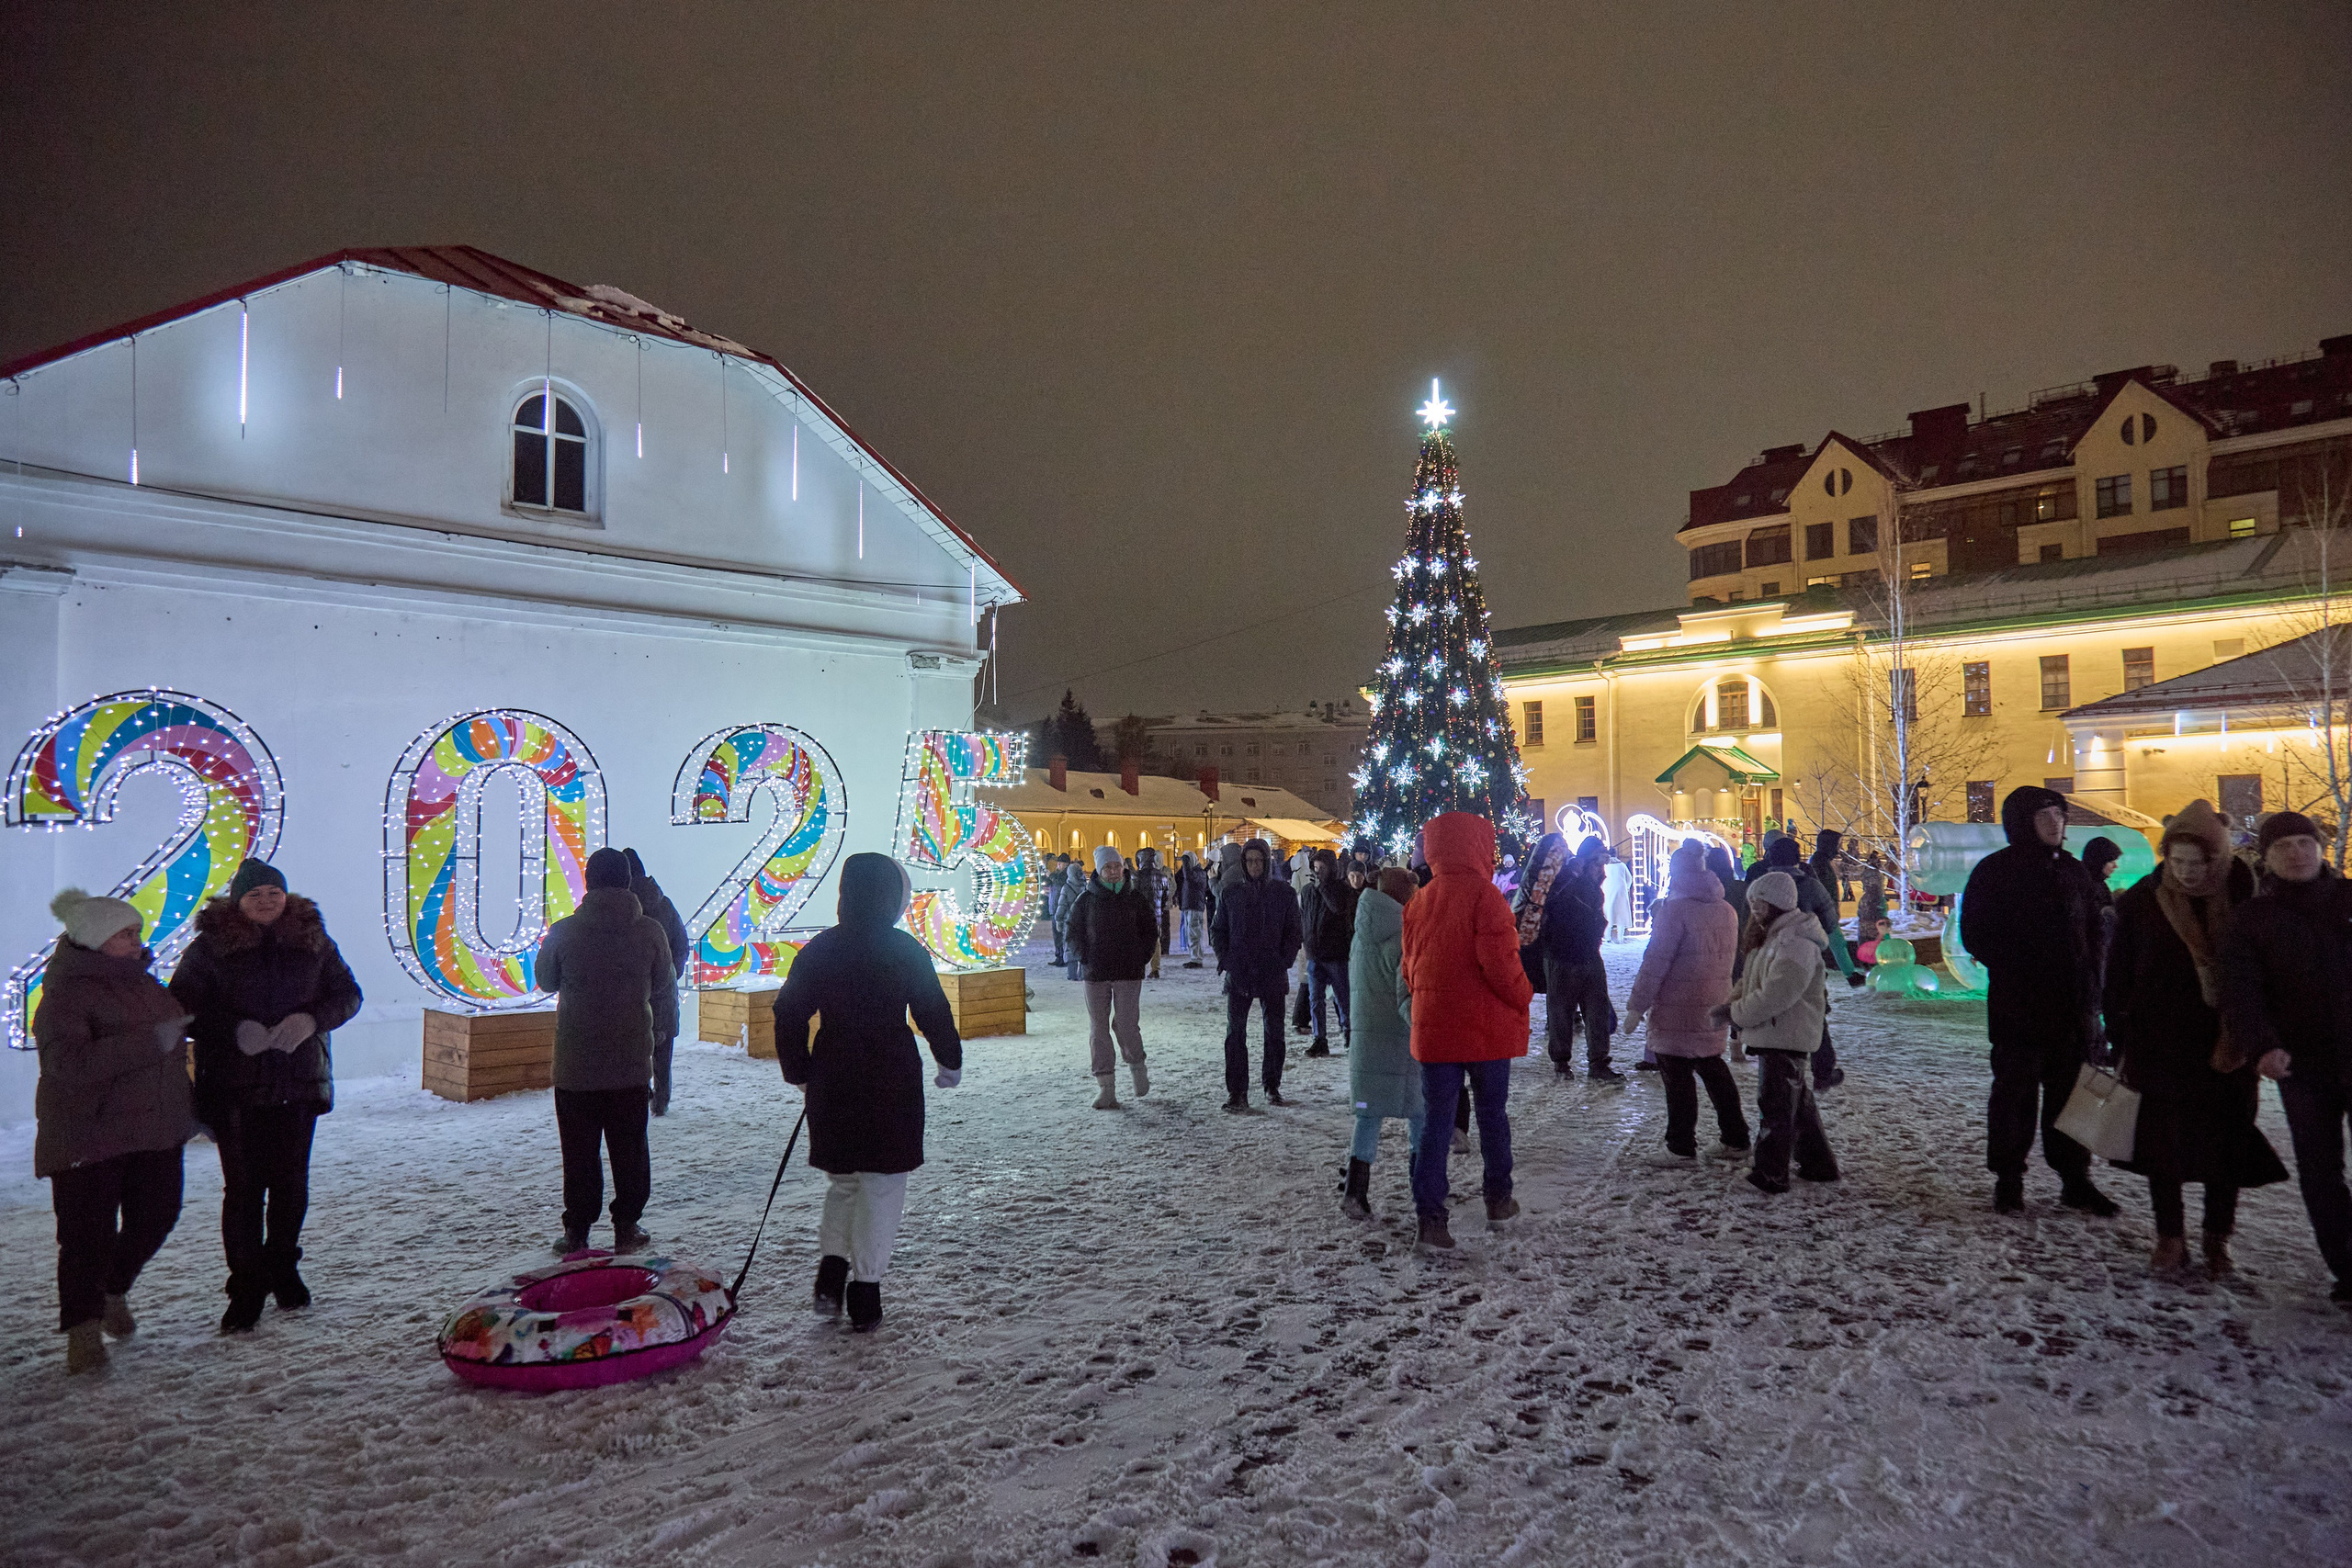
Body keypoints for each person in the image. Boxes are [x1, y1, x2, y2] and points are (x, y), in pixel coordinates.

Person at [772, 853, 962, 1331]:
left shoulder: (819, 949)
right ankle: (866, 1291)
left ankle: (832, 1272)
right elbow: (932, 1008)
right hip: (889, 1076)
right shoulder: (903, 949)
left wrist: (799, 1070)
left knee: (846, 1181)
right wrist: (949, 1060)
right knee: (881, 1185)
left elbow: (788, 1012)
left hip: (832, 1074)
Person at [171, 857, 363, 1331]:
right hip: (235, 1087)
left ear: (286, 896)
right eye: (255, 895)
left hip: (298, 1082)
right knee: (243, 1190)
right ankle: (246, 1285)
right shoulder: (209, 949)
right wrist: (233, 1030)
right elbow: (183, 1008)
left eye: (273, 893)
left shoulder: (314, 942)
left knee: (291, 1184)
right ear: (238, 901)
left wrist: (312, 1020)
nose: (265, 901)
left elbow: (348, 994)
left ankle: (283, 1266)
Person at [2104, 801, 2286, 1275]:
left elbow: (2269, 967)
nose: (2185, 872)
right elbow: (2120, 968)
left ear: (2218, 858)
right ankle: (2170, 1238)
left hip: (2228, 1039)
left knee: (2226, 1141)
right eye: (2176, 861)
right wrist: (2116, 1028)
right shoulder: (2145, 898)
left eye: (2197, 862)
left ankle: (2216, 1237)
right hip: (2159, 1040)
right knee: (2162, 1144)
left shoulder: (2247, 892)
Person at [35, 890, 198, 1372]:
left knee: (157, 1217)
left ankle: (113, 1290)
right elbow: (68, 1066)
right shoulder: (65, 995)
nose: (136, 940)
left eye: (136, 932)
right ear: (95, 939)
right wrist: (151, 1042)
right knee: (87, 1236)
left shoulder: (145, 983)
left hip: (155, 1129)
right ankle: (82, 1331)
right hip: (89, 1134)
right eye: (125, 934)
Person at [1961, 786, 2118, 1218]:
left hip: (2073, 1010)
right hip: (2021, 1009)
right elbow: (1975, 933)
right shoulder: (1995, 872)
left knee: (2074, 1098)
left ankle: (2076, 1180)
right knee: (2015, 1096)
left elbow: (2093, 935)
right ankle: (2009, 1179)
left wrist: (2094, 985)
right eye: (2044, 815)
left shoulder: (2073, 871)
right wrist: (2025, 967)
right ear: (2021, 822)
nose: (2054, 823)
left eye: (2059, 815)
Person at [2219, 811, 2352, 1303]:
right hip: (2303, 1065)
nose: (2297, 853)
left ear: (2319, 848)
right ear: (2267, 858)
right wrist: (2262, 1045)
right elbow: (2242, 990)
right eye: (2284, 846)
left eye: (2304, 842)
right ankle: (2346, 1267)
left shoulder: (2348, 899)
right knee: (2321, 1171)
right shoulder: (2253, 918)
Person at [537, 846, 681, 1258]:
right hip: (630, 1062)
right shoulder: (650, 931)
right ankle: (626, 1226)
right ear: (628, 882)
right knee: (630, 1148)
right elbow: (663, 987)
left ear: (588, 882)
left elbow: (546, 981)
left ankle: (578, 1231)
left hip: (575, 1065)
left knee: (580, 1152)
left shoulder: (565, 930)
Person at [1404, 812, 1534, 1248]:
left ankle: (1431, 1220)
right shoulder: (1487, 897)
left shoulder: (1419, 900)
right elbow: (1501, 965)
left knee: (1436, 1122)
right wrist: (1523, 995)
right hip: (1485, 1029)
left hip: (1435, 1028)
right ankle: (1498, 1200)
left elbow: (1409, 968)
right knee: (1492, 1115)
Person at [1624, 842, 1747, 1163]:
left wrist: (1637, 1006)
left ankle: (1680, 1145)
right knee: (1714, 1068)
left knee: (1677, 1077)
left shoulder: (1674, 911)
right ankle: (1736, 1138)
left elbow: (1655, 962)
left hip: (1677, 1008)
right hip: (1713, 1002)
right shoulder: (1727, 910)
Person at [1721, 870, 1837, 1193]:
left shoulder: (1794, 943)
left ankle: (1770, 1173)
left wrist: (1736, 1013)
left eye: (1761, 903)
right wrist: (1733, 1001)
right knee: (1797, 1106)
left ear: (1778, 904)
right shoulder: (1773, 937)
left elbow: (1777, 993)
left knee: (1775, 1107)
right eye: (1753, 902)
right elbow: (1755, 981)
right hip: (1781, 1032)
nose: (1755, 909)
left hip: (1786, 1033)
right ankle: (1818, 1164)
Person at [1342, 868, 1423, 1217]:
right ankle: (1424, 1193)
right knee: (1421, 1113)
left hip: (1367, 1039)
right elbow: (1406, 996)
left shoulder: (1361, 934)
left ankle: (1354, 1191)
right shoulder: (1404, 936)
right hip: (1401, 1042)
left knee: (1368, 1116)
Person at [1762, 836, 1860, 1089]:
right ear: (1797, 858)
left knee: (1771, 1009)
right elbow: (1831, 927)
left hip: (1767, 958)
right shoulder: (1810, 887)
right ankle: (1823, 1070)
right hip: (1806, 960)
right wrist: (1847, 967)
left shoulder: (1759, 885)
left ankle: (1779, 1072)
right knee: (1814, 1012)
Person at [1212, 837, 1302, 1111]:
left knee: (1274, 1033)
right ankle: (1237, 1091)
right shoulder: (1231, 893)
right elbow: (1219, 930)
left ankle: (1271, 1085)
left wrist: (1283, 960)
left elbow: (1294, 932)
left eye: (1258, 861)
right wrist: (1226, 959)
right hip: (1239, 972)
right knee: (1235, 1034)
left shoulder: (1283, 894)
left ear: (1266, 862)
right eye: (1249, 861)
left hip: (1271, 972)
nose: (1254, 866)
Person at [1069, 845, 1156, 1108]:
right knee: (1099, 1028)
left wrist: (1141, 956)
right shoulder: (1086, 901)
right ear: (1099, 870)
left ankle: (1136, 1064)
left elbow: (1150, 930)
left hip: (1128, 972)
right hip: (1096, 973)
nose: (1114, 871)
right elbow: (1072, 932)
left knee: (1127, 1024)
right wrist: (1084, 955)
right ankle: (1106, 1086)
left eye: (1117, 866)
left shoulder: (1136, 899)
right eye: (1108, 867)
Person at [622, 848, 692, 1115]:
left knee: (632, 1051)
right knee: (663, 1055)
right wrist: (670, 973)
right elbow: (682, 944)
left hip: (631, 995)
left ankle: (642, 1095)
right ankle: (661, 1101)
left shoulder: (620, 910)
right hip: (663, 994)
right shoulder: (665, 904)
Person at [1542, 842, 1618, 1079]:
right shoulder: (1565, 880)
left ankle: (1598, 1062)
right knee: (1561, 1013)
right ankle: (1562, 1064)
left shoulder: (1588, 884)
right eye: (1598, 864)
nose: (1603, 872)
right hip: (1563, 957)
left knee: (1597, 1011)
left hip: (1589, 956)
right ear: (1585, 862)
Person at [1299, 849, 1358, 1056]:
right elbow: (1304, 918)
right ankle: (1319, 1039)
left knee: (1342, 998)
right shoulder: (1308, 891)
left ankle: (1350, 1036)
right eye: (1316, 868)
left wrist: (1323, 888)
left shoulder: (1340, 889)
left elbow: (1338, 909)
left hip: (1336, 955)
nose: (1318, 871)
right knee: (1315, 1000)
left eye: (1322, 868)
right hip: (1315, 954)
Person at [1130, 846, 1171, 980]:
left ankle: (1139, 967)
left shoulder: (1138, 877)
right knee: (1156, 941)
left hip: (1140, 915)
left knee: (1139, 941)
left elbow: (1132, 895)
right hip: (1157, 914)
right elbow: (1166, 896)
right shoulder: (1162, 876)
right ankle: (1155, 969)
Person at [1054, 859, 1089, 979]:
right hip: (1084, 922)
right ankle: (1083, 974)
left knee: (1070, 947)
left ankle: (1072, 974)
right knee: (1083, 947)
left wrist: (1058, 919)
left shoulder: (1067, 887)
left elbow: (1062, 905)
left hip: (1070, 921)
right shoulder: (1085, 886)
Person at [1175, 851, 1210, 966]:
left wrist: (1185, 862)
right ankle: (1194, 957)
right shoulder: (1192, 873)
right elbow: (1179, 878)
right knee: (1191, 933)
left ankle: (1196, 959)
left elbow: (1189, 877)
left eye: (1186, 862)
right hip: (1189, 906)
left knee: (1195, 933)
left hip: (1194, 906)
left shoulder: (1198, 873)